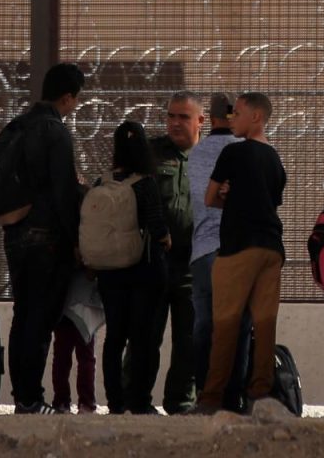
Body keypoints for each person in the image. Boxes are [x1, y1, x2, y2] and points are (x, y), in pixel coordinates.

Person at [1, 62, 86, 414]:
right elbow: (64, 192)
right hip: (48, 240)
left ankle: (23, 395)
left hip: (16, 234)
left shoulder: (16, 126)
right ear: (67, 98)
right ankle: (32, 398)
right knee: (39, 322)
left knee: (24, 316)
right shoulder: (56, 132)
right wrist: (77, 239)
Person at [196, 92, 288, 415]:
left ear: (257, 117)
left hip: (238, 247)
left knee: (226, 324)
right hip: (272, 248)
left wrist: (226, 196)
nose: (231, 118)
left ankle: (210, 398)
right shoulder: (275, 160)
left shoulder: (232, 153)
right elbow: (267, 202)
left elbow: (209, 199)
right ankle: (260, 396)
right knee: (265, 324)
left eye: (237, 113)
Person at [93, 121, 172, 415]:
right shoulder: (145, 182)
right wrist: (166, 238)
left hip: (109, 272)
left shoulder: (102, 182)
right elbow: (157, 225)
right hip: (143, 270)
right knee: (142, 338)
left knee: (114, 337)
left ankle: (114, 402)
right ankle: (138, 400)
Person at [187, 93, 249, 413]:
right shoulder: (246, 151)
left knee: (205, 326)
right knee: (237, 326)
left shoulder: (196, 155)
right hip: (237, 249)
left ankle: (205, 396)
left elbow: (198, 200)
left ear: (209, 120)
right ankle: (233, 397)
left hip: (202, 251)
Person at [142, 91, 202, 414]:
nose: (175, 123)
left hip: (193, 264)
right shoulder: (149, 154)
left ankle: (181, 402)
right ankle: (136, 400)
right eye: (171, 116)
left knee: (188, 339)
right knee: (145, 337)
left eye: (183, 117)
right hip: (153, 262)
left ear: (200, 121)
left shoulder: (210, 158)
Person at [51, 271, 102, 415]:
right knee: (85, 356)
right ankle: (85, 402)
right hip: (83, 297)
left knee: (62, 356)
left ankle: (62, 401)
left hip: (63, 296)